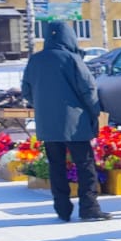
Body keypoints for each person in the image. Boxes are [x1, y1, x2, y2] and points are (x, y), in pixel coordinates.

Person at [21, 21, 108, 222]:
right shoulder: (72, 59)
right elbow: (88, 89)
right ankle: (89, 207)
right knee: (85, 164)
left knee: (56, 165)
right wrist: (95, 111)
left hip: (47, 124)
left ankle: (62, 208)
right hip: (75, 123)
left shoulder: (35, 60)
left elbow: (26, 90)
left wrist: (43, 106)